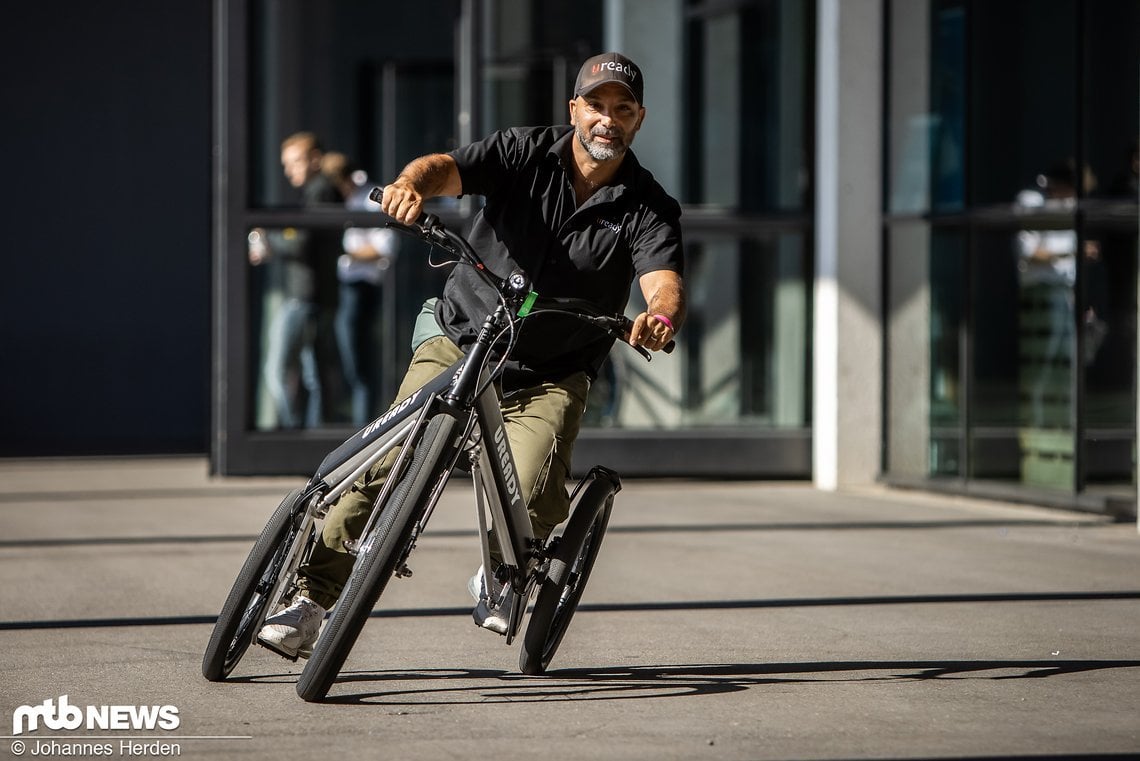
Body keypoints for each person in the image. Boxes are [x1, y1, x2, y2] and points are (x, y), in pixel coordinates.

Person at [259, 52, 686, 658]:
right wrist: (410, 186)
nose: (607, 119)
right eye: (596, 105)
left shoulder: (648, 206)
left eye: (622, 109)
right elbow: (446, 168)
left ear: (638, 118)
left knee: (534, 483)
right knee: (388, 461)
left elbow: (661, 280)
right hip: (462, 335)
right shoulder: (523, 152)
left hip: (551, 370)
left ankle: (501, 575)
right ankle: (310, 596)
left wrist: (659, 319)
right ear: (575, 109)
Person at [249, 132, 344, 429]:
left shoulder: (320, 192)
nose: (289, 170)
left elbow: (300, 241)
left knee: (278, 369)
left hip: (304, 296)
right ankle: (310, 436)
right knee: (313, 372)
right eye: (286, 164)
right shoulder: (317, 191)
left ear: (315, 159)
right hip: (312, 294)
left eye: (295, 162)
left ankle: (296, 435)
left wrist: (269, 242)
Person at [322, 152, 399, 427]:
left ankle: (363, 423)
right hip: (344, 287)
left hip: (362, 288)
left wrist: (344, 253)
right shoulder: (347, 200)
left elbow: (385, 248)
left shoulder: (369, 199)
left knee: (359, 363)